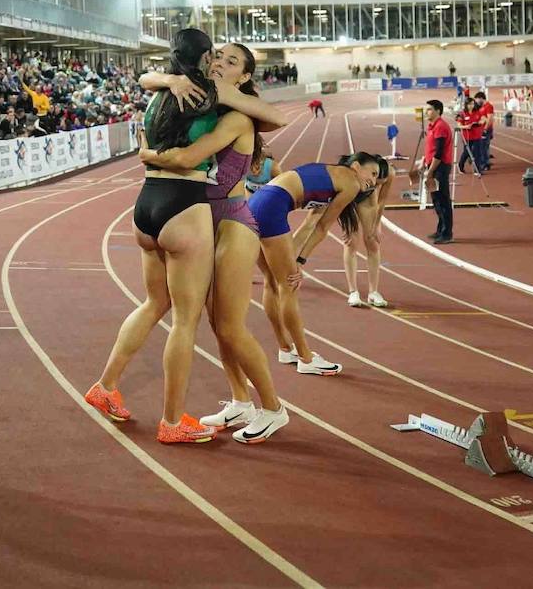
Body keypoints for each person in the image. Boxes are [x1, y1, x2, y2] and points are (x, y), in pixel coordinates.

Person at [135, 43, 291, 443]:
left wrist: (150, 154)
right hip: (199, 215)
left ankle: (273, 408)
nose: (220, 62)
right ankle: (240, 400)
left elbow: (188, 158)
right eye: (217, 56)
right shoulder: (201, 105)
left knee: (230, 325)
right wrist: (170, 79)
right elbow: (147, 79)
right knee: (212, 322)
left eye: (232, 61)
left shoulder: (237, 114)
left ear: (243, 76)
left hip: (232, 221)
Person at [86, 29, 224, 444]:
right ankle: (172, 420)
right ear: (204, 57)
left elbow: (147, 78)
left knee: (154, 303)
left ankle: (105, 387)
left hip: (146, 204)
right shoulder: (208, 93)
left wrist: (168, 78)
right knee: (185, 319)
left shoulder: (157, 95)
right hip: (185, 203)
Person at [246, 153, 380, 374]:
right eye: (372, 173)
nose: (373, 181)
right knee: (288, 286)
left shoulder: (329, 177)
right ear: (356, 166)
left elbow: (310, 225)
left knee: (273, 281)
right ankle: (306, 358)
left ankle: (285, 348)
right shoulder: (351, 181)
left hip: (257, 204)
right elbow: (322, 228)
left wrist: (294, 260)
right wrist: (297, 262)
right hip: (271, 207)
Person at [342, 159, 393, 308]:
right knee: (351, 241)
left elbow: (381, 200)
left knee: (373, 243)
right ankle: (353, 291)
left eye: (379, 184)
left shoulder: (390, 173)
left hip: (367, 200)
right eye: (375, 181)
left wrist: (377, 225)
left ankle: (373, 292)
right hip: (349, 198)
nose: (375, 184)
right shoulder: (352, 172)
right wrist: (347, 223)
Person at [421, 100, 453, 244]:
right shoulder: (432, 126)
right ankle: (441, 229)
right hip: (433, 166)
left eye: (429, 109)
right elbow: (431, 148)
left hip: (439, 168)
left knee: (443, 200)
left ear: (438, 111)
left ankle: (447, 233)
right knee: (436, 200)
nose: (426, 112)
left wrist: (431, 171)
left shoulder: (440, 127)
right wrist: (424, 161)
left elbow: (439, 152)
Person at [456, 97, 484, 176]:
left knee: (477, 152)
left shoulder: (477, 112)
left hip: (477, 136)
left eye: (472, 104)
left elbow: (483, 119)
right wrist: (466, 126)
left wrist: (480, 122)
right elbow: (459, 125)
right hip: (467, 136)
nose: (471, 106)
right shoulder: (462, 114)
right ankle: (460, 165)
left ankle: (477, 170)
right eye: (469, 104)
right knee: (467, 152)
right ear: (466, 105)